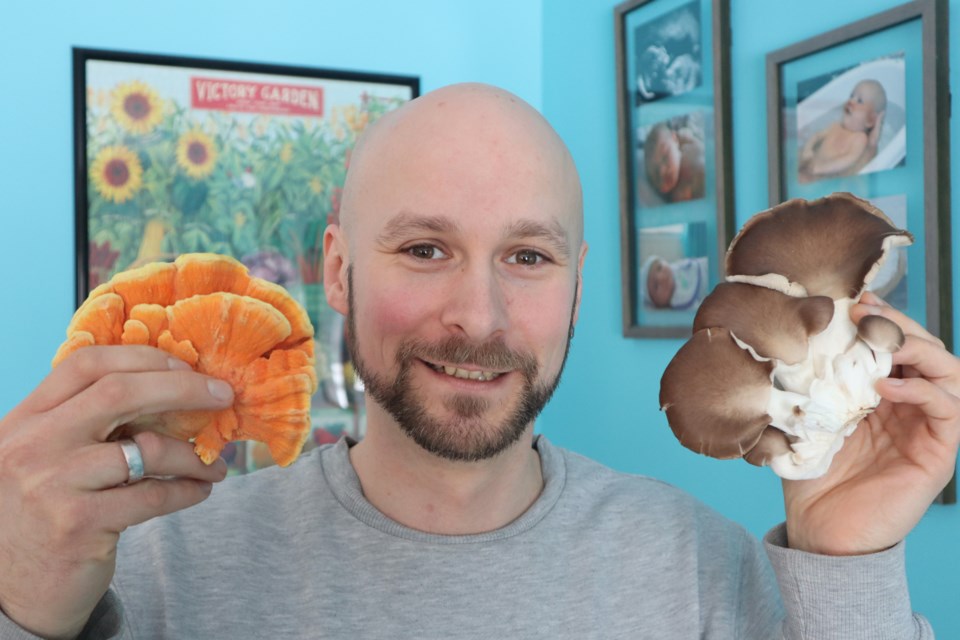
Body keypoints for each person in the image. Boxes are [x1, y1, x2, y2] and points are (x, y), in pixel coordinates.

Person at [1, 83, 957, 639]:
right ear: (336, 268)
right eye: (425, 249)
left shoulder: (702, 570)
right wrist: (21, 599)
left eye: (528, 258)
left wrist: (849, 562)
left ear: (577, 285)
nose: (480, 315)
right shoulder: (155, 573)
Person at [798, 79, 887, 183]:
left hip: (827, 176)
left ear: (870, 120)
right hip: (812, 165)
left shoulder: (859, 138)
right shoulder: (835, 126)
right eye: (851, 96)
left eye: (859, 101)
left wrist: (820, 169)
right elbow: (817, 136)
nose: (851, 101)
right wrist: (807, 150)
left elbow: (849, 159)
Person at [642, 121, 704, 203]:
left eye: (665, 157)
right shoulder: (679, 193)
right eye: (657, 173)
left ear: (675, 139)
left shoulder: (687, 142)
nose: (662, 171)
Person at [640, 254, 707, 310]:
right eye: (656, 286)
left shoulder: (676, 267)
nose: (662, 278)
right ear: (657, 305)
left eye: (659, 268)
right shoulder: (679, 302)